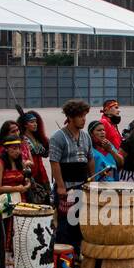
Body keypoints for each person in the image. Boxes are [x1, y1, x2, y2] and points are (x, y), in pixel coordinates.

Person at [49, 101, 95, 252]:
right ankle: (64, 262)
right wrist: (61, 187)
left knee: (80, 225)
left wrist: (92, 181)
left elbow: (90, 159)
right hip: (67, 188)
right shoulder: (58, 137)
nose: (84, 119)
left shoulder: (86, 137)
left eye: (84, 116)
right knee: (65, 227)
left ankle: (77, 259)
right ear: (70, 117)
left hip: (82, 186)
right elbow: (54, 163)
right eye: (80, 116)